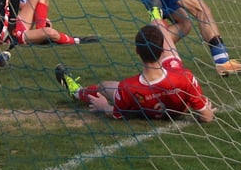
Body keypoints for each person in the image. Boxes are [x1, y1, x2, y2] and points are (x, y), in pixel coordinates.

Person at [55, 20, 215, 123]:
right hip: (177, 105)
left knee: (104, 87)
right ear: (161, 50)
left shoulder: (128, 87)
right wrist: (204, 108)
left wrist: (104, 107)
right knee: (162, 35)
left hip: (145, 106)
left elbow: (117, 113)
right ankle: (156, 17)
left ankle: (77, 92)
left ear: (137, 51)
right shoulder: (184, 77)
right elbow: (207, 117)